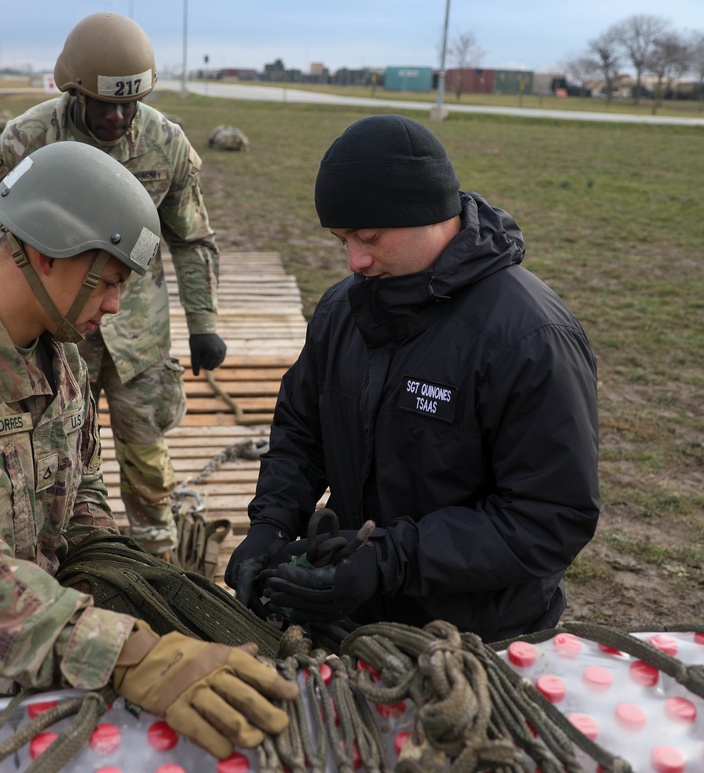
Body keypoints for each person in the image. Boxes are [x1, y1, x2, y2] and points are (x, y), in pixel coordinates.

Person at [0, 142, 298, 760]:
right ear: (48, 252)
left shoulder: (58, 346)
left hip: (49, 670)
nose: (114, 305)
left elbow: (79, 488)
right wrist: (130, 654)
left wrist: (120, 576)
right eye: (109, 281)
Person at [225, 114, 600, 643]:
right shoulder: (342, 312)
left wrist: (387, 560)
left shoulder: (529, 337)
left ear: (429, 213)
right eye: (342, 240)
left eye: (369, 237)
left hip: (478, 638)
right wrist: (272, 523)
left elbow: (550, 517)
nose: (355, 260)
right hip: (353, 621)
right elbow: (300, 433)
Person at [0, 12, 226, 560]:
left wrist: (204, 323)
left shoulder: (166, 144)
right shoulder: (27, 142)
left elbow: (192, 237)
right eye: (103, 104)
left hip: (138, 334)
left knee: (146, 455)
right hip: (57, 336)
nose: (116, 116)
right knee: (55, 461)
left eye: (128, 104)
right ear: (74, 92)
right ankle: (69, 564)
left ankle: (158, 558)